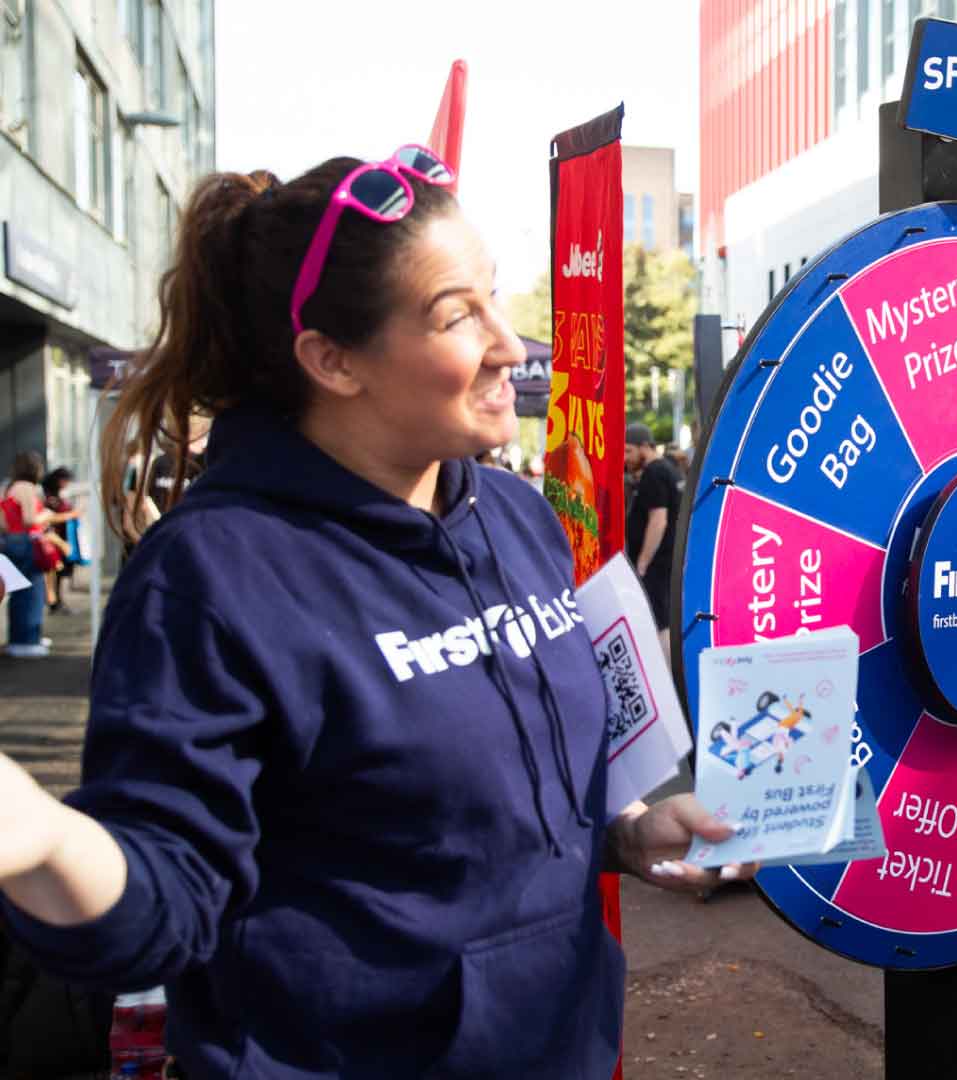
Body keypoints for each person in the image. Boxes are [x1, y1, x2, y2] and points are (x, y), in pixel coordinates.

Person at [0, 150, 749, 1079]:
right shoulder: (207, 579)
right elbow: (162, 910)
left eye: (493, 297)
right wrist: (33, 836)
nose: (510, 346)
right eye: (456, 315)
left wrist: (628, 830)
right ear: (332, 359)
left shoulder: (519, 521)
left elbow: (493, 793)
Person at [624, 423, 683, 646]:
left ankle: (667, 676)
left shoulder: (654, 473)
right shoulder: (669, 468)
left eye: (629, 450)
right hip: (667, 559)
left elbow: (658, 520)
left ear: (644, 447)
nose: (625, 457)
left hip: (657, 562)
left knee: (660, 623)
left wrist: (642, 563)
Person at [2, 452, 53, 658]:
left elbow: (3, 521)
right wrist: (47, 515)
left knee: (17, 592)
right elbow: (30, 519)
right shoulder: (28, 489)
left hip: (10, 541)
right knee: (32, 591)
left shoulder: (8, 488)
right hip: (26, 541)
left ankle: (19, 639)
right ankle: (28, 641)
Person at [40, 467, 83, 614]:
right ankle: (53, 602)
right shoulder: (48, 497)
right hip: (53, 540)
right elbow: (51, 517)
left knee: (57, 574)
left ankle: (56, 602)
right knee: (52, 574)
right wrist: (71, 514)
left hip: (58, 538)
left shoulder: (54, 495)